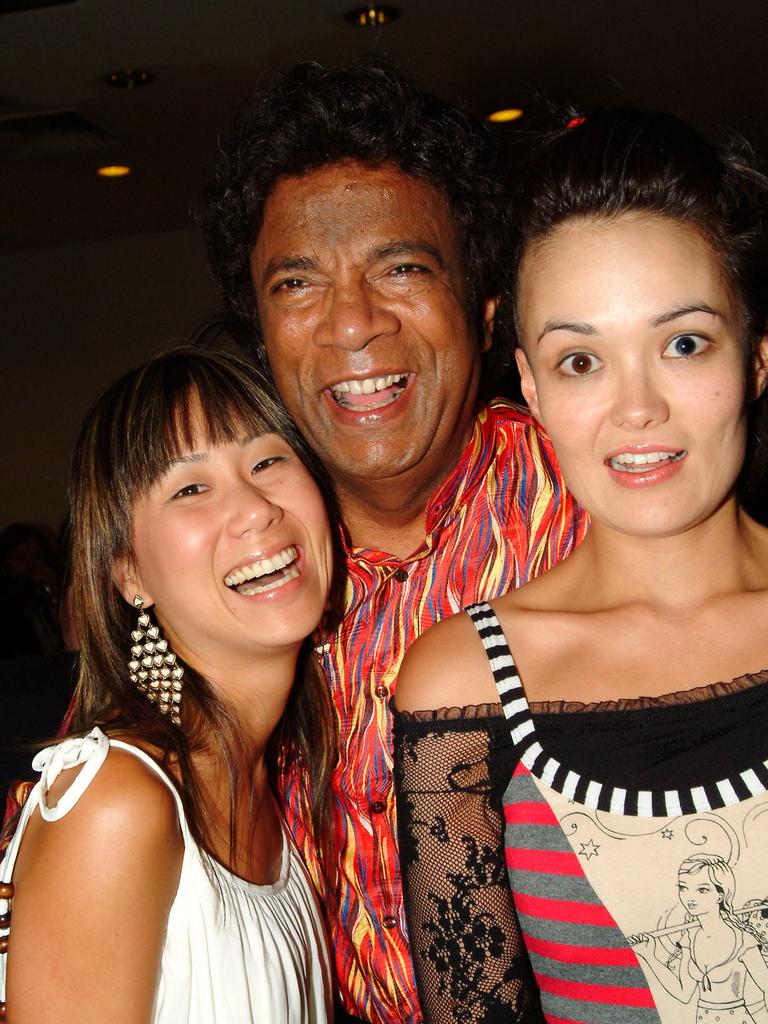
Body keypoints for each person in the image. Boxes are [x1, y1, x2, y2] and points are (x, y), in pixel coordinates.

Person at [204, 58, 586, 1024]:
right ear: (259, 336)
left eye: (403, 268)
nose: (353, 324)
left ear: (485, 306)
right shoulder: (222, 567)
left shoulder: (604, 503)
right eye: (299, 283)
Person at [393, 106, 768, 1023]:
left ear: (757, 359)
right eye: (580, 360)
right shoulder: (464, 682)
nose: (636, 407)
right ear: (529, 387)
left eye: (683, 343)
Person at [0, 347, 340, 1023]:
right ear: (130, 576)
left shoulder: (270, 792)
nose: (254, 509)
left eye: (267, 460)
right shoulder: (116, 803)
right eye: (190, 488)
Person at [629, 855, 768, 1020]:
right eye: (683, 887)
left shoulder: (743, 940)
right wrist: (649, 955)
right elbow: (683, 993)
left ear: (720, 895)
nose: (690, 897)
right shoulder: (689, 938)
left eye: (702, 889)